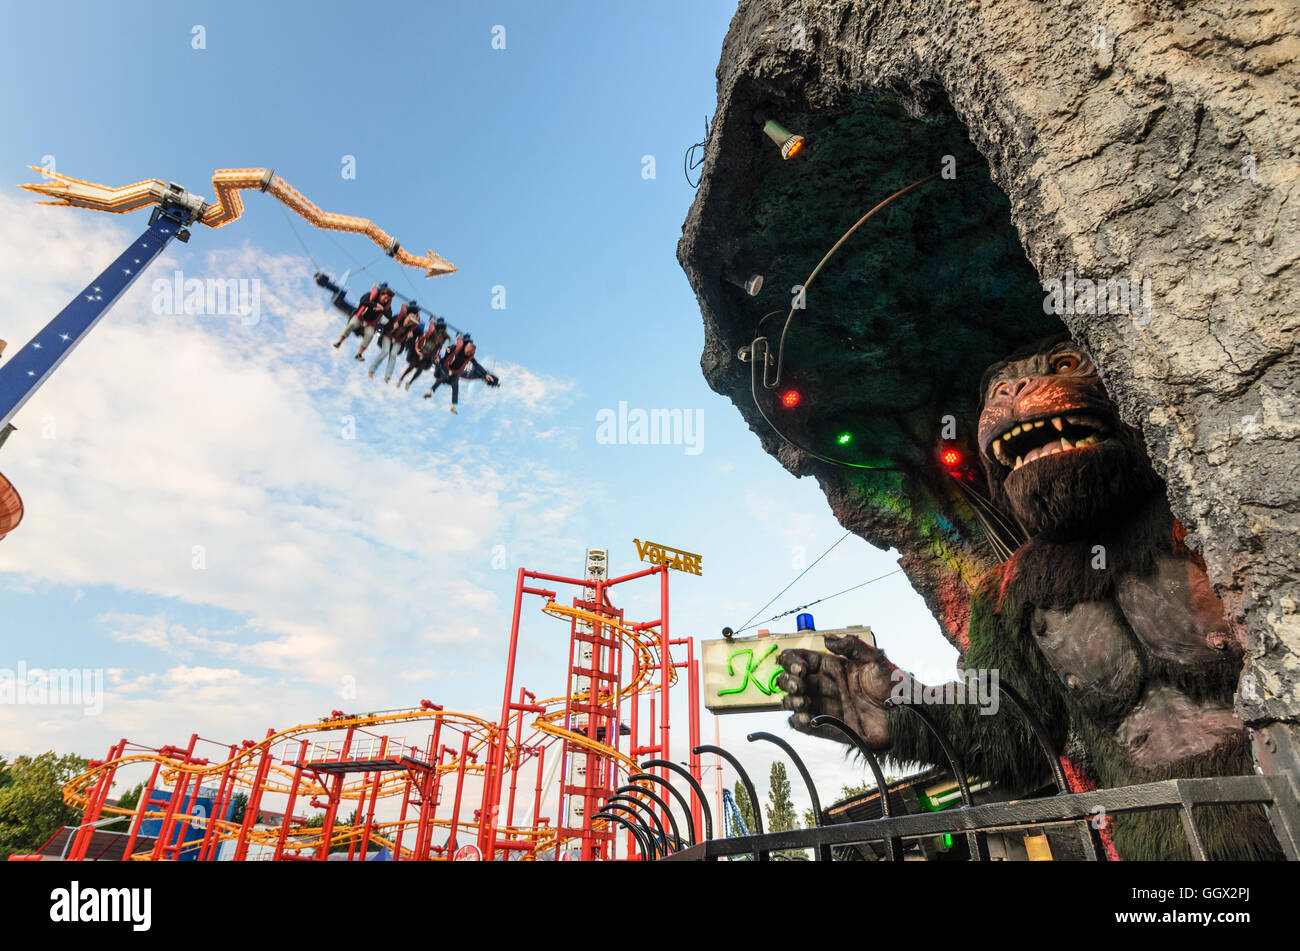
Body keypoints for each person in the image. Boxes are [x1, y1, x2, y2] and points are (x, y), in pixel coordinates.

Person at [424, 334, 499, 413]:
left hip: (457, 372)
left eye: (469, 353)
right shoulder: (457, 348)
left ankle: (453, 406)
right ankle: (430, 391)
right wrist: (448, 350)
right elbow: (450, 350)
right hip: (449, 368)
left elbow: (477, 365)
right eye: (467, 351)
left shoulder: (469, 356)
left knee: (455, 386)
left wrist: (485, 374)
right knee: (443, 378)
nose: (467, 353)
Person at [333, 283, 393, 360]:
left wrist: (382, 309)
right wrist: (375, 305)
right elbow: (362, 302)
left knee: (370, 334)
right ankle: (339, 342)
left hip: (370, 324)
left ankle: (359, 354)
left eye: (388, 299)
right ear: (381, 294)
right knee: (352, 324)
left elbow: (389, 316)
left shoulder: (386, 306)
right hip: (360, 318)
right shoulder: (369, 295)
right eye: (385, 297)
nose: (386, 300)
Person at [370, 299, 422, 383]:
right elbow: (386, 327)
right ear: (406, 317)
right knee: (385, 351)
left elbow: (408, 339)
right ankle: (372, 370)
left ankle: (388, 376)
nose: (408, 324)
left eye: (410, 323)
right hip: (389, 336)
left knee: (393, 355)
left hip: (398, 341)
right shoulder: (397, 318)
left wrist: (409, 337)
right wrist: (393, 327)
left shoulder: (410, 328)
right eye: (408, 321)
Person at [397, 316, 449, 391]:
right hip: (420, 351)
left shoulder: (440, 340)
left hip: (427, 356)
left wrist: (437, 356)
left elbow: (438, 349)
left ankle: (410, 383)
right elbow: (421, 340)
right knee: (412, 365)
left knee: (420, 369)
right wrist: (417, 349)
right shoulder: (431, 333)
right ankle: (401, 379)